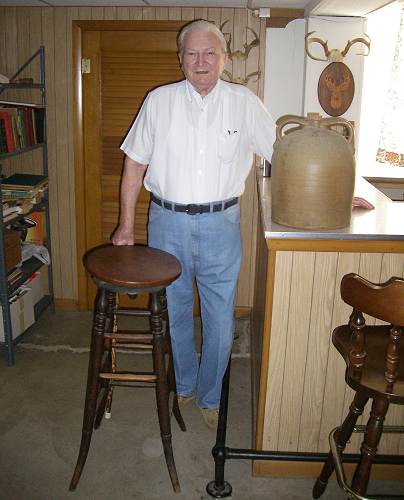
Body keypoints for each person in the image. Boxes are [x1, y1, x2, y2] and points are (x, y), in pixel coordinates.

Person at [112, 19, 276, 430]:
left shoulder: (244, 102)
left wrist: (335, 193)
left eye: (209, 53)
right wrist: (126, 226)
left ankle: (210, 395)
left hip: (222, 224)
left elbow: (283, 155)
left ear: (223, 59)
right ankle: (184, 385)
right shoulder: (159, 101)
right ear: (181, 59)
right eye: (192, 53)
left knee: (221, 318)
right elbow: (134, 163)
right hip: (166, 223)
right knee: (175, 310)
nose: (200, 61)